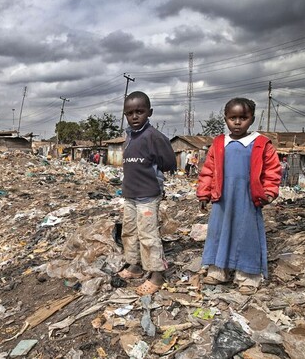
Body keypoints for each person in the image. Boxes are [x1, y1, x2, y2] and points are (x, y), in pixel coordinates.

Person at [197, 97, 281, 295]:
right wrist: (204, 193)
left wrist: (269, 192)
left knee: (247, 234)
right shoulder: (219, 143)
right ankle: (218, 270)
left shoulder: (260, 143)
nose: (237, 122)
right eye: (232, 117)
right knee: (218, 233)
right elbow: (208, 170)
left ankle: (247, 276)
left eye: (243, 117)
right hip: (222, 198)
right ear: (225, 118)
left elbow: (272, 170)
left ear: (251, 119)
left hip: (248, 198)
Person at [117, 91, 177, 296]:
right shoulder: (129, 137)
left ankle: (157, 274)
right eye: (130, 113)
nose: (135, 117)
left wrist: (155, 176)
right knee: (129, 232)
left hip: (148, 196)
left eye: (140, 112)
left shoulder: (154, 137)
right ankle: (134, 266)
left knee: (148, 235)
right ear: (125, 115)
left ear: (149, 112)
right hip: (130, 195)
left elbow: (169, 162)